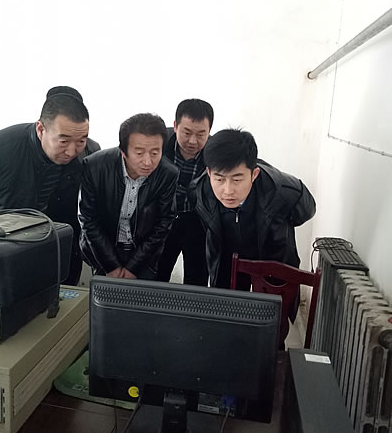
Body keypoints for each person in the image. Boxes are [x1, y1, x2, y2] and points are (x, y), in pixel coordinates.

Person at [189, 128, 316, 340]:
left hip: (272, 260)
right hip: (227, 259)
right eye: (219, 179)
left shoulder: (284, 190)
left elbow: (306, 211)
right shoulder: (200, 191)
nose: (228, 190)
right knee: (227, 322)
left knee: (271, 328)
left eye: (237, 179)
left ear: (254, 174)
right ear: (209, 173)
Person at [0, 86, 96, 285]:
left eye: (81, 141)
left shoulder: (90, 153)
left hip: (60, 251)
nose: (71, 151)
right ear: (41, 129)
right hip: (5, 254)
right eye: (63, 141)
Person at [79, 113, 178, 280]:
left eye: (155, 153)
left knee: (142, 295)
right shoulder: (95, 167)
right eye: (139, 153)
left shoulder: (168, 174)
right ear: (123, 151)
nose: (148, 162)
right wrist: (110, 265)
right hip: (103, 249)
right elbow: (89, 220)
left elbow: (163, 223)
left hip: (143, 253)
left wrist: (134, 266)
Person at [157, 99, 213, 286]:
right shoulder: (158, 144)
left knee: (196, 281)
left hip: (198, 222)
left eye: (201, 134)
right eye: (187, 133)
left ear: (209, 131)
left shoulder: (215, 153)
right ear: (175, 126)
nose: (193, 141)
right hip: (162, 219)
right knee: (156, 276)